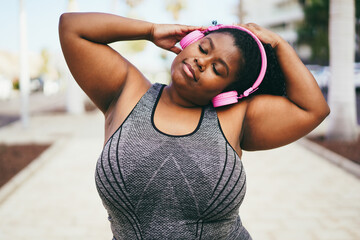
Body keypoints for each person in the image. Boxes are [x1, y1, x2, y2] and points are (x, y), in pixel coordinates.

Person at [59, 12, 330, 240]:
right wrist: (150, 30)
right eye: (203, 48)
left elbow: (313, 108)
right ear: (189, 41)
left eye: (218, 69)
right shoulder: (126, 90)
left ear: (229, 93)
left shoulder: (237, 116)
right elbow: (73, 28)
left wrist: (279, 45)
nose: (201, 62)